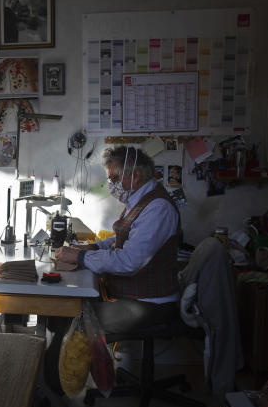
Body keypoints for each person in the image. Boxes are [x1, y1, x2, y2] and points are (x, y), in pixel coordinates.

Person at [54, 145, 181, 338]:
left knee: (70, 320)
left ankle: (56, 368)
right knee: (66, 312)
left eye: (114, 179)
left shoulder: (158, 209)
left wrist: (81, 256)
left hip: (151, 304)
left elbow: (129, 261)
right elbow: (125, 236)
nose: (111, 185)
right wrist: (94, 246)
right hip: (135, 296)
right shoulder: (138, 200)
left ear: (136, 175)